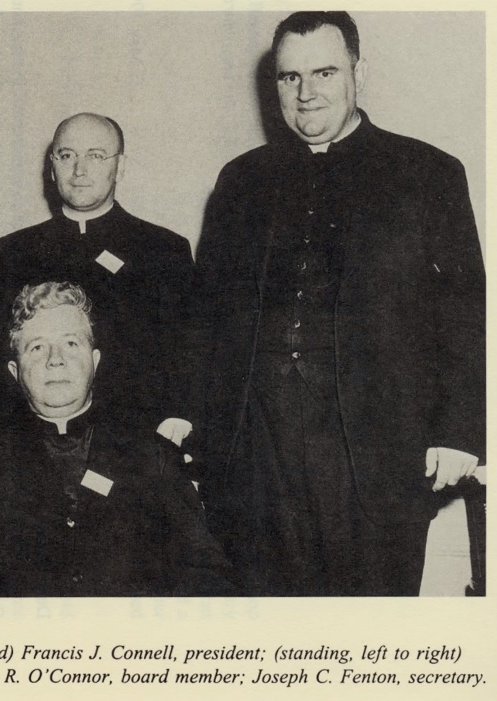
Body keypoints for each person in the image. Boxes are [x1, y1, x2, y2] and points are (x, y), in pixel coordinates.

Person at [192, 12, 485, 596]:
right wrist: (194, 420)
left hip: (374, 452)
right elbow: (205, 315)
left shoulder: (427, 173)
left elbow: (465, 312)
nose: (306, 93)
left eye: (324, 72)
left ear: (360, 72)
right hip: (254, 452)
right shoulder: (240, 181)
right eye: (289, 77)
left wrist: (460, 431)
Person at [0, 282, 232, 596]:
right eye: (37, 347)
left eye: (70, 343)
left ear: (95, 361)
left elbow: (206, 573)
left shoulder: (155, 456)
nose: (55, 359)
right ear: (14, 370)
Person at [0, 113, 194, 445]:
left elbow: (189, 362)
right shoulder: (16, 252)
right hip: (34, 447)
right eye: (67, 155)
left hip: (137, 447)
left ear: (121, 165)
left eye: (95, 156)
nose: (79, 170)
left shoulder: (162, 251)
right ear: (52, 166)